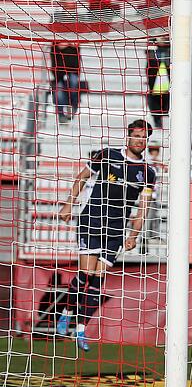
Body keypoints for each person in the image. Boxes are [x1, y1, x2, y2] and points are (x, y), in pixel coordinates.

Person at [56, 120, 157, 351]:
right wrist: (69, 205)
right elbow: (82, 177)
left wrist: (134, 235)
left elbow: (144, 207)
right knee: (86, 274)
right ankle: (66, 312)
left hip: (116, 230)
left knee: (98, 280)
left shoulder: (148, 173)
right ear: (128, 136)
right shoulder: (107, 155)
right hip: (91, 220)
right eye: (137, 135)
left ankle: (80, 330)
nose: (140, 141)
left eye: (144, 137)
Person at [50, 41, 81, 124]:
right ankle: (61, 114)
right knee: (58, 91)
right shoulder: (54, 48)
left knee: (74, 83)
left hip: (73, 72)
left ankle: (72, 107)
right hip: (59, 75)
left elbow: (76, 44)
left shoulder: (74, 49)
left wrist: (68, 44)